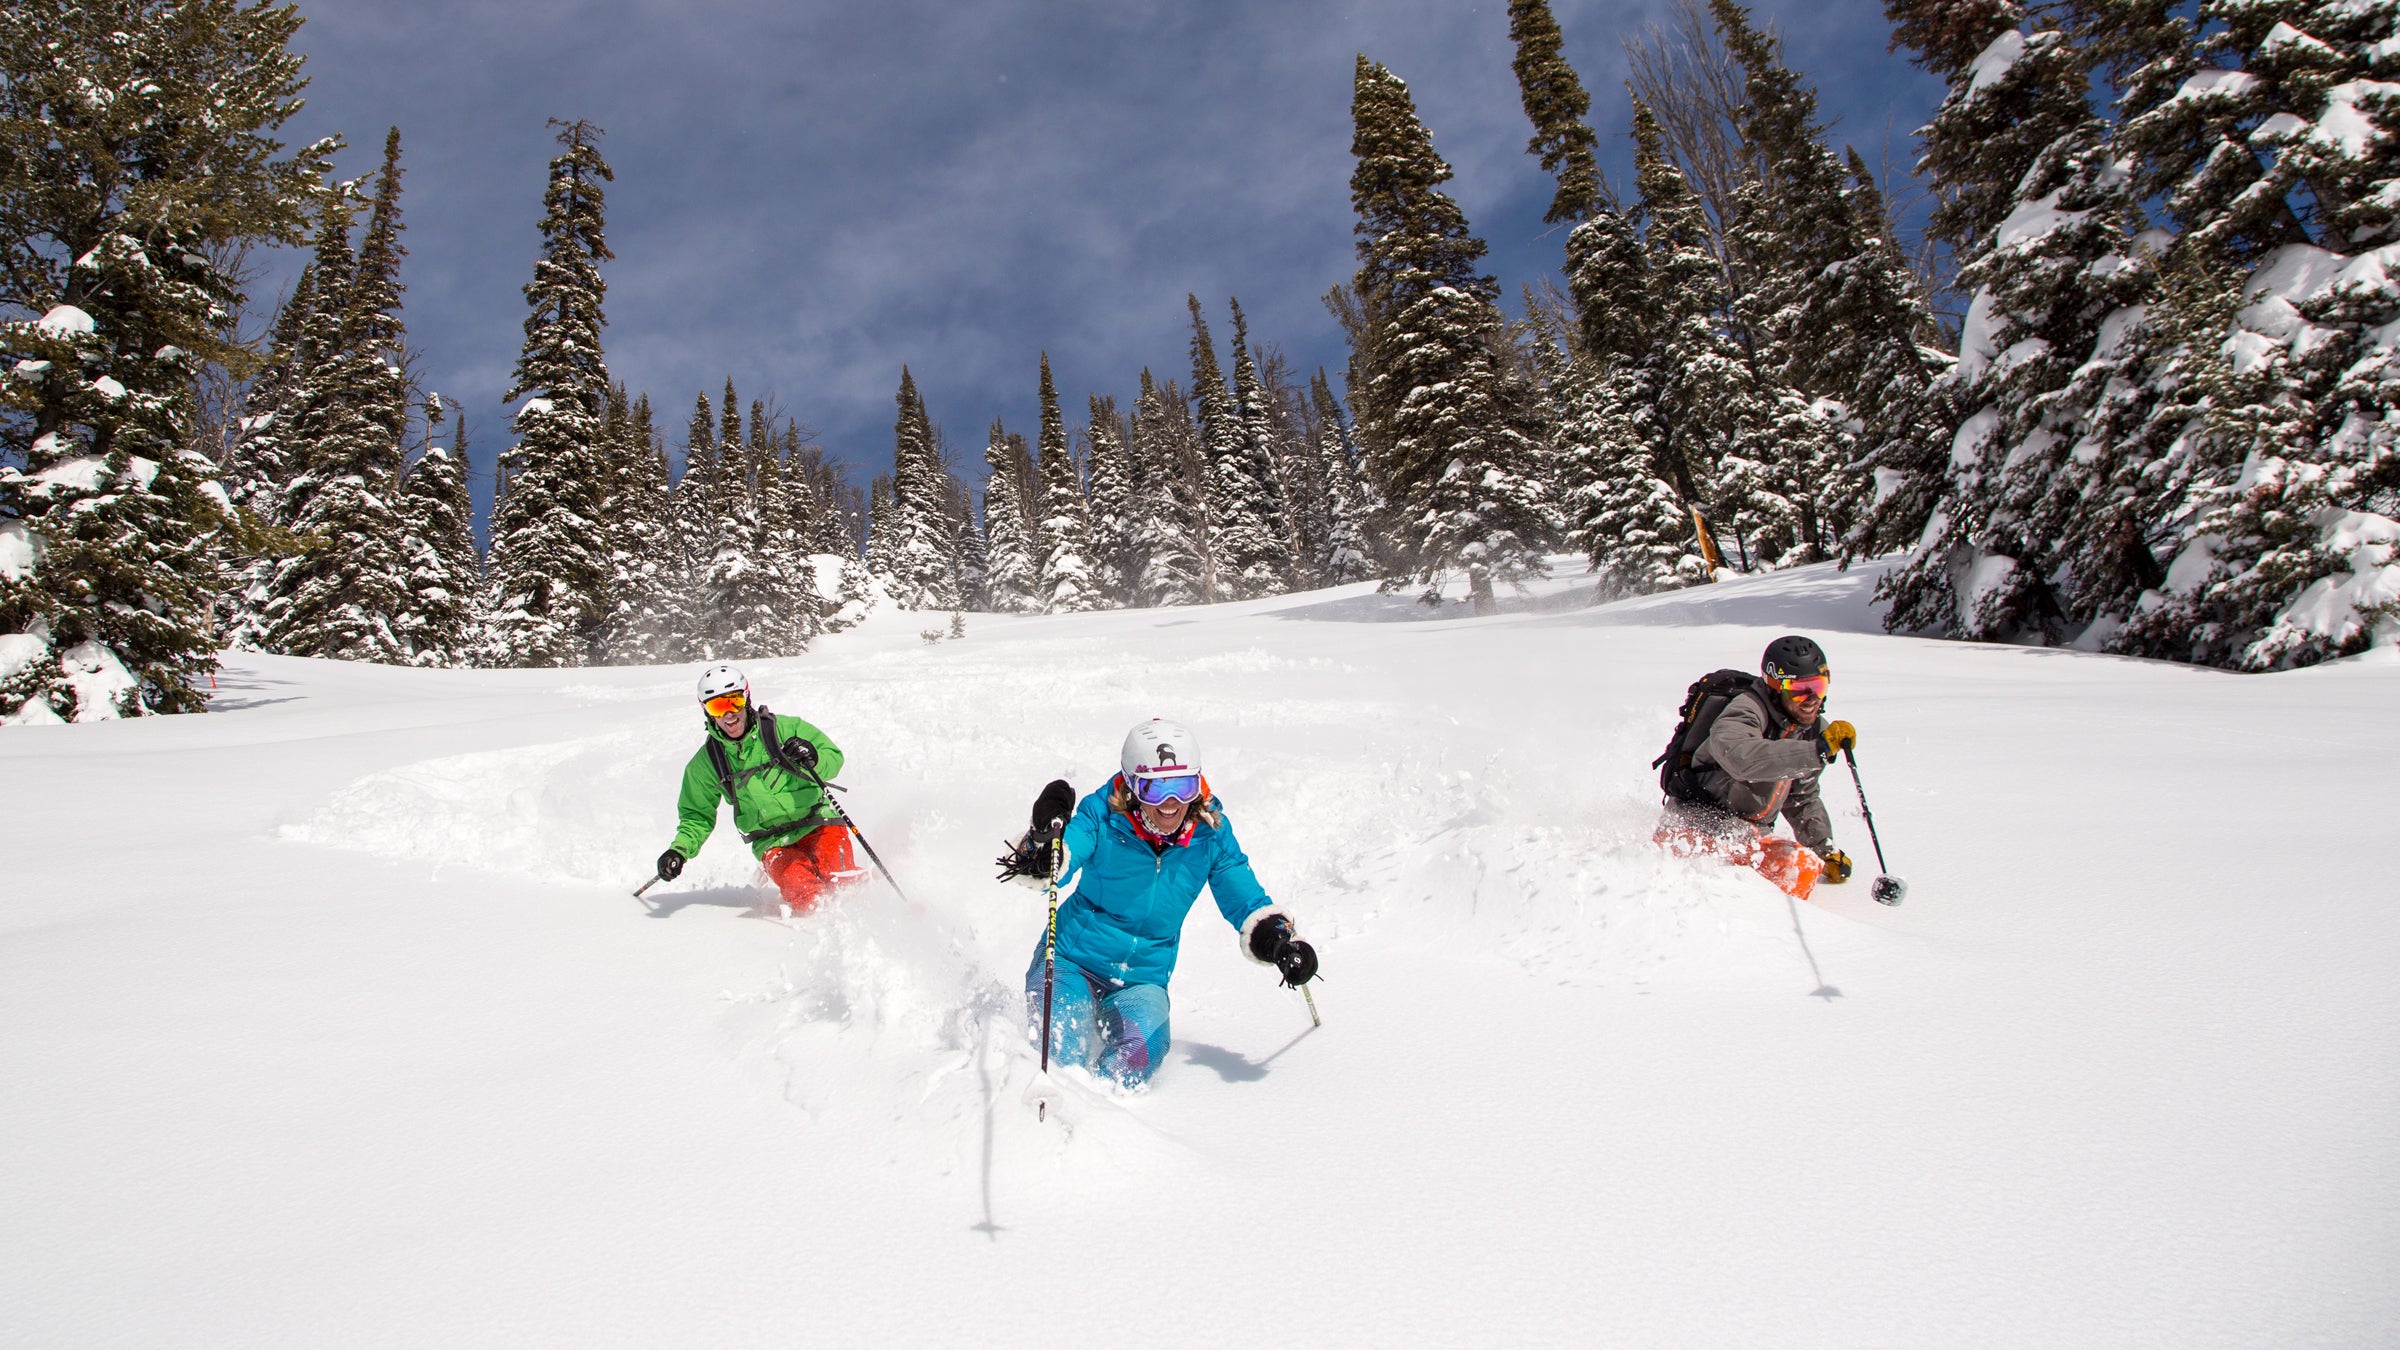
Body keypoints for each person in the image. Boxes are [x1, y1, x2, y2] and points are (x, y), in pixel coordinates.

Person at [995, 717, 1317, 1090]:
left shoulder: (1209, 835)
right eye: (1154, 789)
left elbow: (1245, 900)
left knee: (1139, 1055)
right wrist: (1041, 838)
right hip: (1072, 960)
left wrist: (1278, 941)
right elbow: (1059, 863)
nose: (1170, 803)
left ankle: (1100, 1121)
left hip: (1141, 980)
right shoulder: (1102, 816)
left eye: (1182, 786)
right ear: (1131, 786)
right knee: (1058, 1051)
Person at [1654, 635, 1858, 899]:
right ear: (1775, 686)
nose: (1811, 699)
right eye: (1798, 690)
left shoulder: (1812, 730)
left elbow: (1801, 797)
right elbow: (1742, 759)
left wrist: (1824, 850)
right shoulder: (1745, 711)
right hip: (1694, 826)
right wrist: (1815, 750)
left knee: (1802, 869)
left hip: (1748, 838)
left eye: (1817, 686)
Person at [652, 663, 861, 914]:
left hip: (818, 822)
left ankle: (876, 916)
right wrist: (679, 850)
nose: (729, 714)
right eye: (718, 706)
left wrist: (813, 756)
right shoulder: (707, 763)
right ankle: (823, 936)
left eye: (734, 701)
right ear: (707, 711)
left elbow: (833, 757)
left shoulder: (783, 730)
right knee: (807, 893)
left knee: (843, 883)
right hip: (772, 842)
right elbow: (696, 815)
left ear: (746, 697)